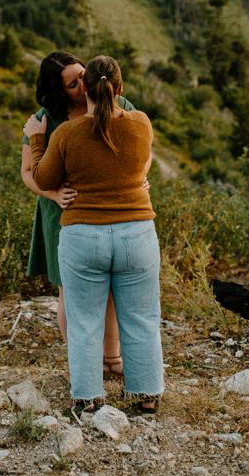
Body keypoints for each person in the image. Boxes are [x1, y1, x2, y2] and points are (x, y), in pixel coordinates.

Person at [23, 54, 163, 418]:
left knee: (83, 319)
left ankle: (87, 398)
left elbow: (43, 179)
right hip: (136, 232)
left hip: (84, 235)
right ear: (119, 89)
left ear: (84, 89)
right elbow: (140, 161)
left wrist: (38, 142)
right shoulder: (141, 123)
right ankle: (145, 396)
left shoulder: (66, 132)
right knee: (142, 316)